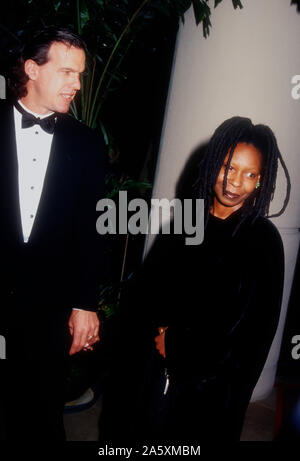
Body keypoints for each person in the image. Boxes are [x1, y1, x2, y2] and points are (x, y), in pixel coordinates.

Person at [100, 116, 290, 443]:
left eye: (250, 174)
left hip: (207, 395)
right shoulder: (188, 219)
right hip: (151, 374)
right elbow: (145, 294)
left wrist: (180, 346)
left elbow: (255, 335)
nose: (235, 182)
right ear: (214, 162)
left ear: (261, 181)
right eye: (229, 167)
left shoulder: (263, 240)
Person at [0, 26, 106, 440]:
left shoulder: (88, 144)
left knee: (41, 415)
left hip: (48, 305)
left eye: (79, 75)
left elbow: (91, 230)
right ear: (32, 70)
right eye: (66, 72)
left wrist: (84, 303)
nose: (76, 85)